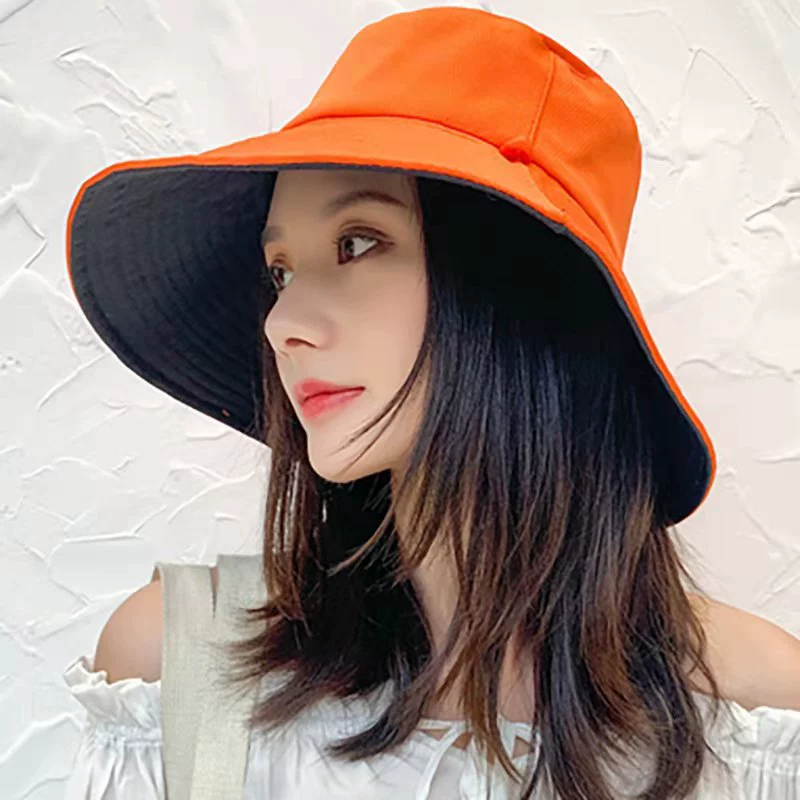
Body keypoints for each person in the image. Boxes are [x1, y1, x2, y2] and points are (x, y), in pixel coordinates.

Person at [60, 7, 800, 799]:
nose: (281, 322)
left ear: (522, 295)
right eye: (280, 271)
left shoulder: (753, 723)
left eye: (356, 242)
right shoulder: (178, 668)